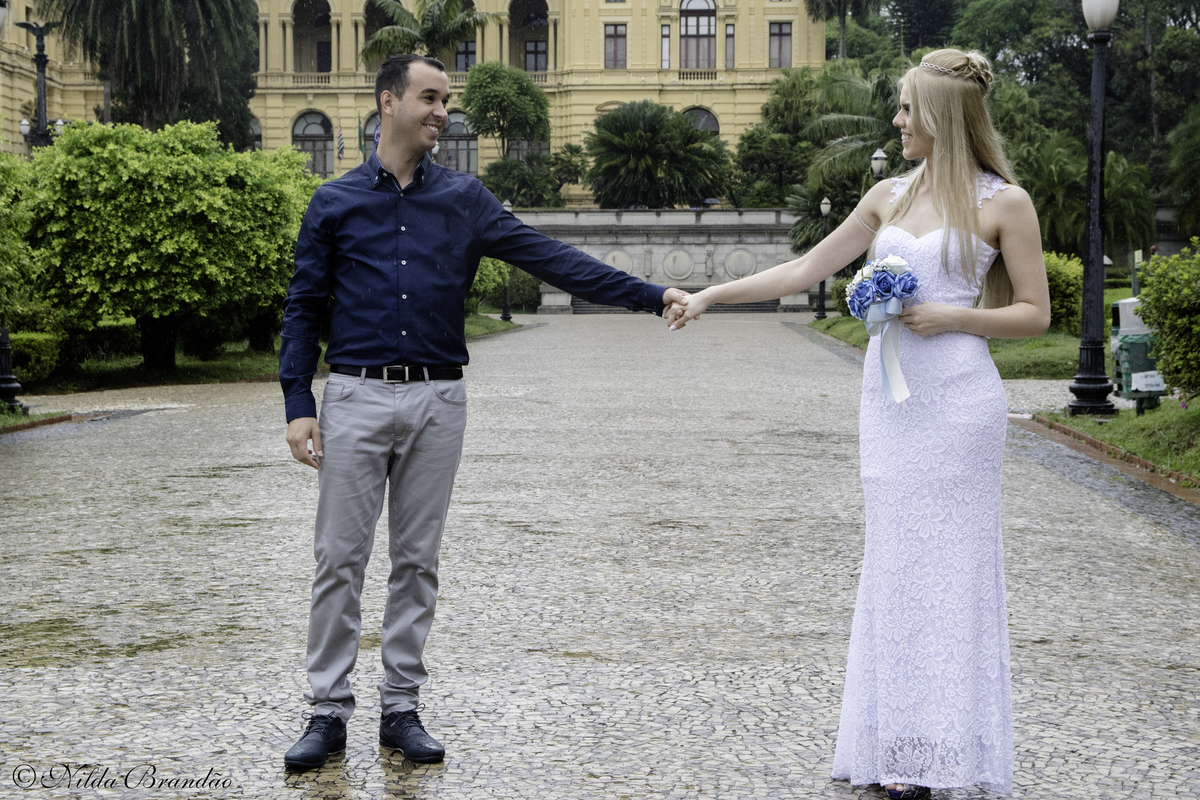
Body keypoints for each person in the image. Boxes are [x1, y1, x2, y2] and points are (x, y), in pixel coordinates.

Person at [279, 53, 686, 771]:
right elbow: (304, 308)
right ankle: (327, 711)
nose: (442, 111)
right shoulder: (333, 203)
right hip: (355, 394)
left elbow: (554, 259)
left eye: (445, 100)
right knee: (338, 557)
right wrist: (298, 403)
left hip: (439, 398)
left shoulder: (466, 200)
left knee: (417, 560)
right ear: (389, 102)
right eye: (429, 98)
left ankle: (400, 706)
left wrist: (651, 296)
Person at [666, 49, 1050, 798]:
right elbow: (804, 270)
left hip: (961, 403)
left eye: (908, 108)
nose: (898, 120)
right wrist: (710, 295)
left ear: (941, 115)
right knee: (898, 566)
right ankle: (896, 747)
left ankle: (945, 753)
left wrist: (952, 315)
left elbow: (1034, 314)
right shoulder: (887, 198)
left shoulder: (1007, 202)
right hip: (891, 404)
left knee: (953, 571)